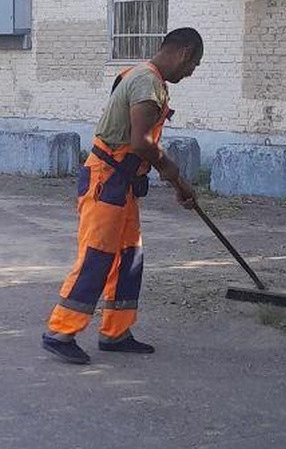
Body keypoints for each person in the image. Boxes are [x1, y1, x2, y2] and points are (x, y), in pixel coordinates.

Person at [42, 27, 203, 364]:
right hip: (106, 180)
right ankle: (60, 331)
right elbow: (141, 142)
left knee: (129, 257)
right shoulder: (147, 81)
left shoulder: (146, 78)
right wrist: (174, 175)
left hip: (123, 182)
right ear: (184, 52)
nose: (191, 73)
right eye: (194, 65)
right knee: (96, 257)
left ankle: (116, 332)